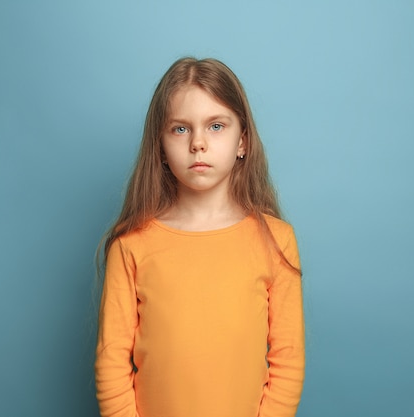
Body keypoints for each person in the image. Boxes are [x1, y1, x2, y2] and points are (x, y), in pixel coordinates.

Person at [94, 57, 305, 417]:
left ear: (243, 142)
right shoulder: (130, 244)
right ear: (160, 147)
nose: (198, 143)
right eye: (180, 129)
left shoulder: (276, 240)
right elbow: (111, 362)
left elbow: (288, 361)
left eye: (216, 126)